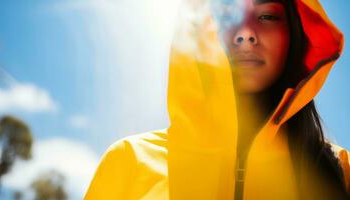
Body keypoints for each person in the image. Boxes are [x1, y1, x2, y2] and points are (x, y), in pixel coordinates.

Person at [84, 0, 350, 199]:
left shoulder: (342, 170)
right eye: (227, 15)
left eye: (267, 16)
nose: (245, 33)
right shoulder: (129, 162)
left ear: (296, 34)